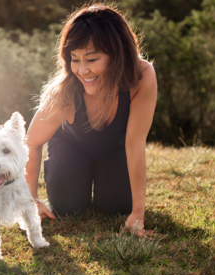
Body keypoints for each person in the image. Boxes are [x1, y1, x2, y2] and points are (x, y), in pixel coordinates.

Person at [25, 4, 157, 237]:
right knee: (68, 207)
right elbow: (31, 143)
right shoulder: (65, 91)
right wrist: (30, 202)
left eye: (92, 59)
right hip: (71, 146)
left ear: (118, 55)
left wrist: (138, 213)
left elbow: (135, 144)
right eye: (75, 59)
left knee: (116, 208)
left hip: (115, 149)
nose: (82, 70)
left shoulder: (142, 76)